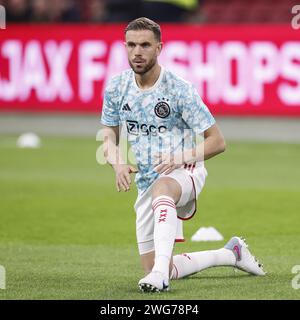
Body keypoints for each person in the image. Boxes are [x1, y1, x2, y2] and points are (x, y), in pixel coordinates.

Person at [100, 17, 265, 293]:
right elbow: (108, 135)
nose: (137, 52)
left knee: (163, 188)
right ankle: (231, 254)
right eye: (131, 45)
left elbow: (217, 141)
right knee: (160, 265)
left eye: (144, 45)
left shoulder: (179, 89)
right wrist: (117, 163)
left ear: (159, 48)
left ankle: (159, 279)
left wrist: (179, 157)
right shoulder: (117, 88)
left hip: (184, 171)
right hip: (147, 183)